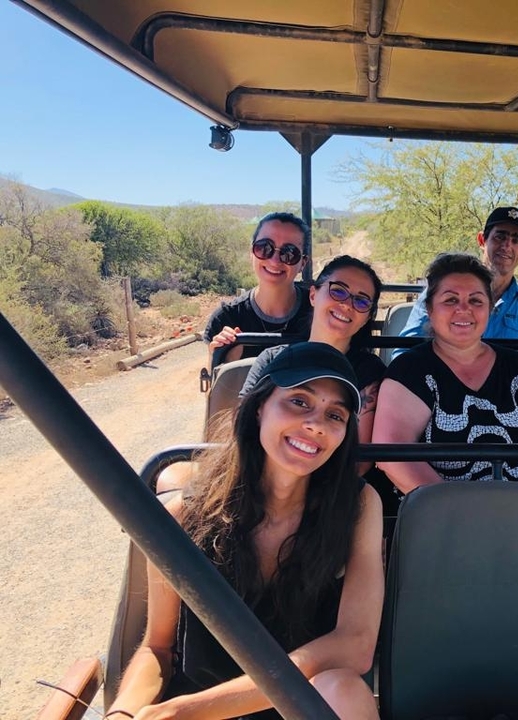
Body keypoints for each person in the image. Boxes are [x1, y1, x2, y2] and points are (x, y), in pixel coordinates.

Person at [108, 342, 384, 720]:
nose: (316, 424)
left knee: (344, 689)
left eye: (335, 415)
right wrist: (122, 713)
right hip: (196, 706)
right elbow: (157, 648)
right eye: (299, 402)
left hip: (292, 706)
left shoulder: (357, 506)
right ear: (258, 408)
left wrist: (187, 711)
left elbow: (356, 645)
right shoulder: (182, 517)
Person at [373, 252, 518, 491]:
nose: (463, 309)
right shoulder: (409, 372)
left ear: (490, 309)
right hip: (441, 516)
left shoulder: (516, 368)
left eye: (476, 301)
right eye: (450, 300)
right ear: (430, 310)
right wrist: (462, 513)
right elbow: (391, 453)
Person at [240, 255, 386, 475]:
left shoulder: (370, 371)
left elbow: (359, 461)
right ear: (313, 295)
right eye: (338, 291)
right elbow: (242, 429)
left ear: (367, 317)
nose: (346, 304)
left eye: (362, 301)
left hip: (332, 489)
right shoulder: (274, 360)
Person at [394, 206, 518, 366]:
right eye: (500, 237)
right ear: (482, 240)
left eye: (516, 240)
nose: (507, 246)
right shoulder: (437, 293)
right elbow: (404, 352)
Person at [204, 212, 313, 363]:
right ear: (251, 252)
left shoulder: (318, 311)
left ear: (303, 263)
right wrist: (220, 358)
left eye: (289, 253)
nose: (274, 261)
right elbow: (214, 385)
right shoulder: (227, 318)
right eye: (264, 248)